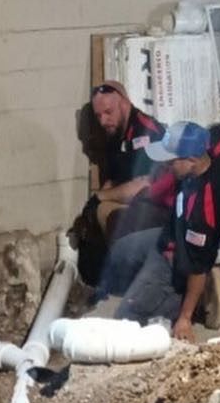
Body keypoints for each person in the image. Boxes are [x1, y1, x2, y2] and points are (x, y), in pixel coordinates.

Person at [95, 120, 220, 342]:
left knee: (127, 318)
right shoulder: (212, 151)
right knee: (119, 252)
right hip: (168, 237)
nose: (166, 166)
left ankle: (196, 300)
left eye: (171, 161)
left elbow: (196, 265)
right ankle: (157, 286)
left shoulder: (202, 210)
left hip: (182, 257)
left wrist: (184, 319)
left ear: (192, 160)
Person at [70, 82, 171, 285]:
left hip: (162, 207)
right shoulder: (116, 133)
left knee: (115, 218)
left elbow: (144, 186)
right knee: (96, 218)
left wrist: (100, 197)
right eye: (98, 116)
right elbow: (116, 178)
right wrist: (92, 205)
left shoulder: (146, 132)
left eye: (108, 112)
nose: (103, 120)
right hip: (142, 203)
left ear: (124, 103)